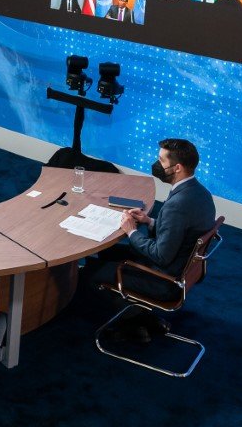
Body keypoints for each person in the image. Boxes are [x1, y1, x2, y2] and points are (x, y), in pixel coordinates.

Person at [88, 139, 217, 340]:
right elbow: (180, 231)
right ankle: (140, 316)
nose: (156, 164)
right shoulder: (202, 194)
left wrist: (131, 232)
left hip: (165, 280)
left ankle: (132, 324)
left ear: (177, 168)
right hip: (181, 267)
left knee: (91, 272)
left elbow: (161, 255)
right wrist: (149, 221)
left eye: (160, 160)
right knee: (107, 251)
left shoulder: (178, 204)